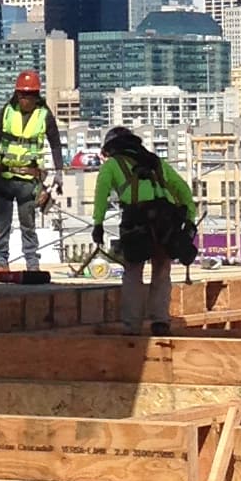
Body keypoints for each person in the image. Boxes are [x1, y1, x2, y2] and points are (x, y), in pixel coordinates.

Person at [87, 124, 197, 335]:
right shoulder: (156, 162)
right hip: (166, 220)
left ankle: (132, 325)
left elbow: (101, 195)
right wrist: (189, 220)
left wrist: (98, 224)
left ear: (111, 148)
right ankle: (160, 322)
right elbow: (182, 189)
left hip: (136, 220)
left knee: (133, 272)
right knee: (162, 271)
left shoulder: (112, 165)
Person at [0, 66, 59, 279]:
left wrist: (59, 171)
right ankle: (0, 262)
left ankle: (32, 264)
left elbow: (55, 144)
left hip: (28, 180)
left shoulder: (44, 115)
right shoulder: (7, 111)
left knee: (28, 225)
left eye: (29, 95)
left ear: (36, 96)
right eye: (22, 94)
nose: (25, 99)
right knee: (1, 223)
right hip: (5, 177)